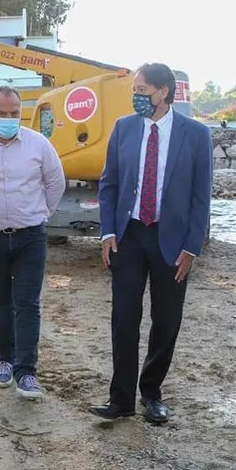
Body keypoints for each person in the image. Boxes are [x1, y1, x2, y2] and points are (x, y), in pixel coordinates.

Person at [92, 62, 213, 424]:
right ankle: (121, 399)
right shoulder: (124, 128)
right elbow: (109, 183)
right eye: (135, 90)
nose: (136, 96)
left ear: (163, 92)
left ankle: (151, 393)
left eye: (141, 90)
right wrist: (108, 232)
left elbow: (200, 197)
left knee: (167, 321)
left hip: (172, 241)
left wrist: (191, 248)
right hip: (128, 236)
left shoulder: (195, 134)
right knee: (124, 318)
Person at [0, 85, 66, 400]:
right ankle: (5, 360)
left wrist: (38, 213)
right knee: (0, 300)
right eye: (3, 114)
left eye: (15, 114)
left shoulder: (38, 144)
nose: (9, 119)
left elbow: (55, 182)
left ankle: (26, 371)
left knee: (27, 302)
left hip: (30, 237)